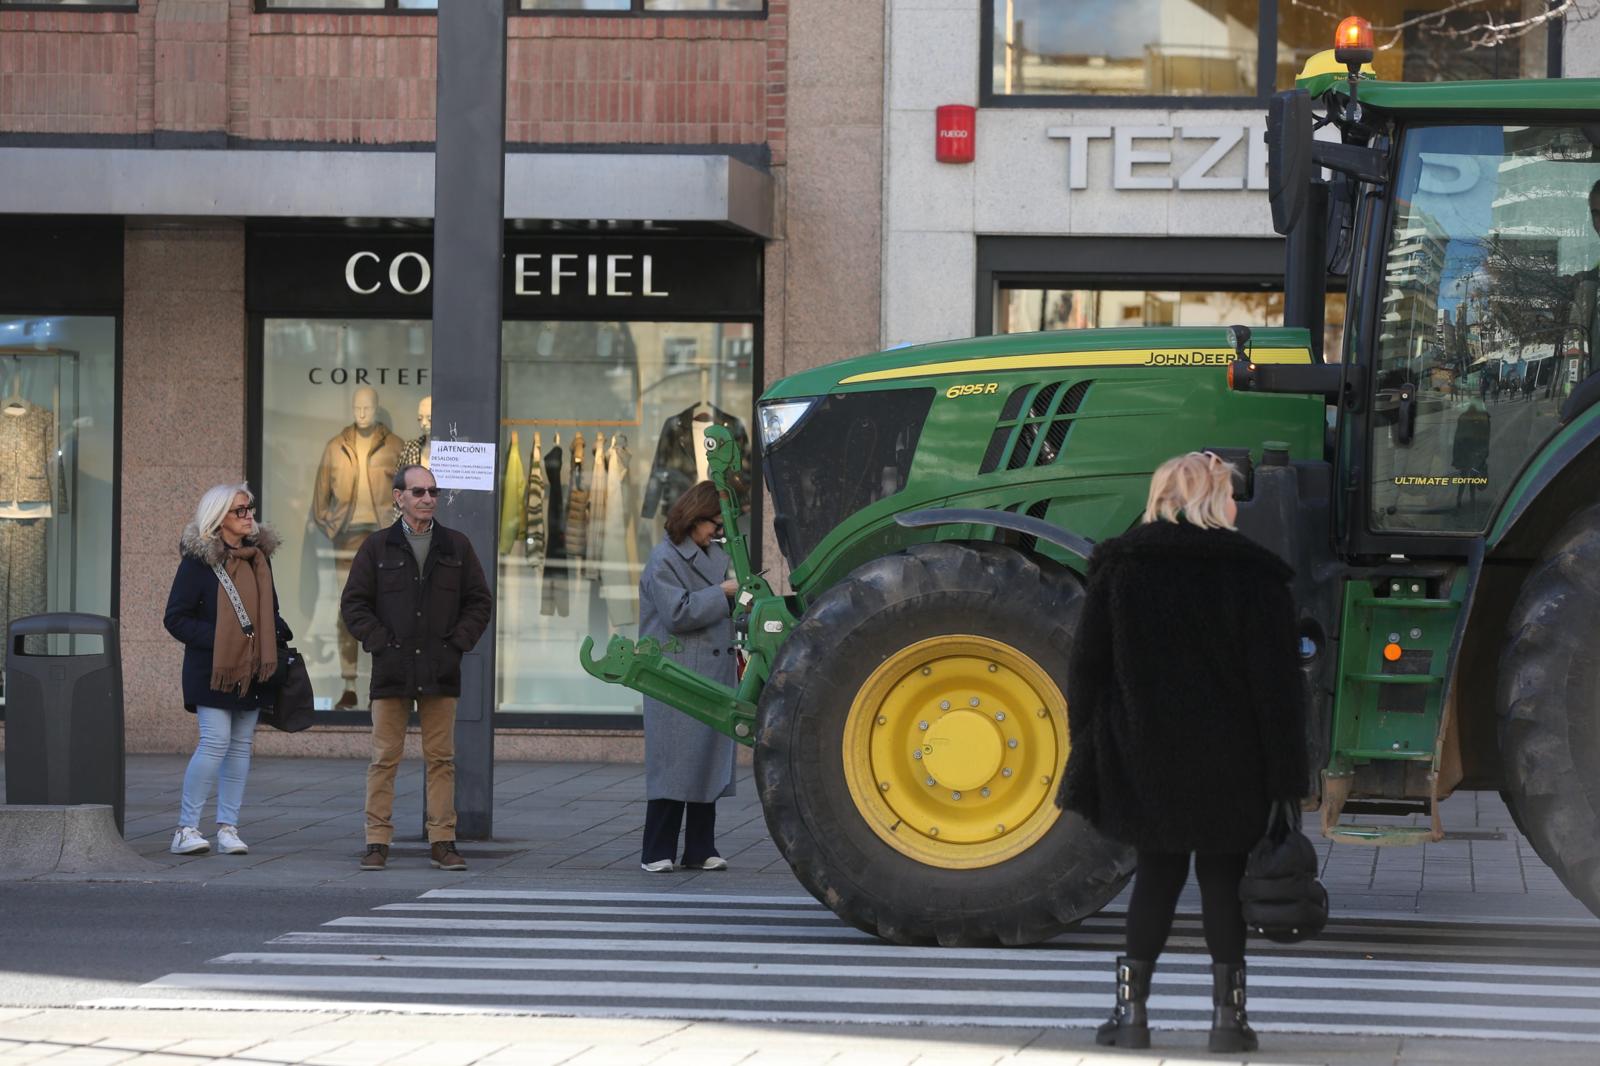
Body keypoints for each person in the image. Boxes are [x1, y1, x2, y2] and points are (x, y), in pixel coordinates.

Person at [1056, 451, 1307, 1054]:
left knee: (1157, 876)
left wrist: (1091, 743)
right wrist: (1285, 779)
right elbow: (1277, 689)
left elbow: (1088, 671)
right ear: (1212, 499)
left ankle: (1131, 1016)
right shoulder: (1256, 577)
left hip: (1148, 754)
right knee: (1222, 881)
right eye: (1229, 493)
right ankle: (1229, 1023)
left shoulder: (1121, 570)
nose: (1235, 505)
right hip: (1232, 760)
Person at [341, 464, 492, 872]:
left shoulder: (456, 547)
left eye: (433, 492)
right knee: (384, 757)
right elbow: (354, 604)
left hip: (440, 671)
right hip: (392, 669)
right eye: (419, 492)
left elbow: (479, 602)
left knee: (441, 759)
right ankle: (377, 841)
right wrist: (379, 643)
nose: (428, 498)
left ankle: (443, 840)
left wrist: (456, 645)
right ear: (399, 497)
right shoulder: (377, 547)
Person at [163, 482, 290, 857]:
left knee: (239, 749)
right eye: (240, 510)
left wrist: (274, 633)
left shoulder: (259, 560)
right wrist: (223, 638)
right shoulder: (198, 564)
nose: (249, 514)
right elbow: (176, 618)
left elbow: (272, 613)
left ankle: (227, 828)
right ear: (219, 519)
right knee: (215, 742)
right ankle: (185, 829)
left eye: (249, 508)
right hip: (214, 668)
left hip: (252, 668)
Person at [637, 480, 738, 872]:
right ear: (694, 519)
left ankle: (700, 848)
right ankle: (656, 851)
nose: (717, 530)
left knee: (705, 760)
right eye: (713, 522)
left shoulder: (712, 555)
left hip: (707, 671)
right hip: (674, 672)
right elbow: (678, 614)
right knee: (673, 763)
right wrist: (724, 593)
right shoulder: (664, 559)